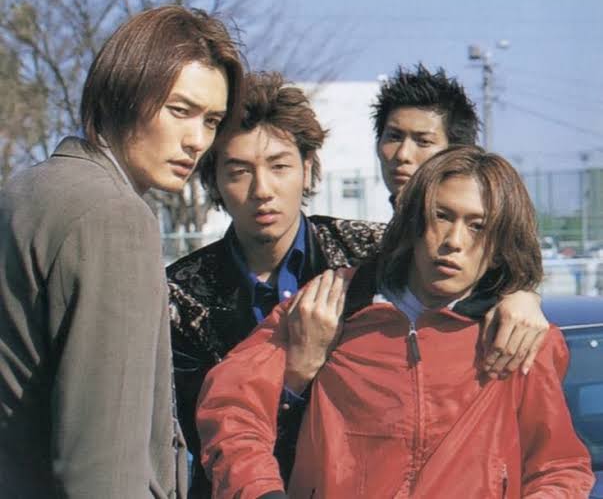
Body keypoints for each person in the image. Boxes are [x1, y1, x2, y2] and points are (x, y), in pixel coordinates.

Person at [196, 146, 595, 498]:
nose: (454, 241)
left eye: (478, 226)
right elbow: (232, 408)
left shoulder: (518, 338)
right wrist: (261, 493)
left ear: (500, 243)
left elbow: (558, 468)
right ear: (414, 222)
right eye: (441, 216)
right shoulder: (332, 304)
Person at [0, 6, 243, 498]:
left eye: (212, 120)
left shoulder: (24, 191)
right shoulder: (116, 218)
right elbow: (102, 470)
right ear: (124, 91)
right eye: (180, 110)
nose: (197, 140)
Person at [167, 71, 386, 497]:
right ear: (214, 182)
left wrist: (517, 293)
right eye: (239, 171)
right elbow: (208, 443)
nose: (262, 190)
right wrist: (295, 376)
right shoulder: (181, 296)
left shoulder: (368, 253)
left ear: (307, 168)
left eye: (279, 166)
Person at [373, 64, 549, 376]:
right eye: (394, 136)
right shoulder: (359, 246)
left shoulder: (500, 311)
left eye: (423, 141)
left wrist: (523, 295)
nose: (402, 154)